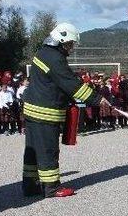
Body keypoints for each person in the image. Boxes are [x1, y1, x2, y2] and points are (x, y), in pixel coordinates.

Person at [22, 23, 110, 198]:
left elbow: (53, 83)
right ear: (61, 40)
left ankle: (30, 185)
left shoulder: (43, 53)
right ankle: (52, 187)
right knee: (48, 150)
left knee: (33, 150)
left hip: (32, 110)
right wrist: (97, 99)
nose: (71, 47)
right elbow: (71, 84)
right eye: (70, 43)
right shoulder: (55, 58)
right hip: (45, 113)